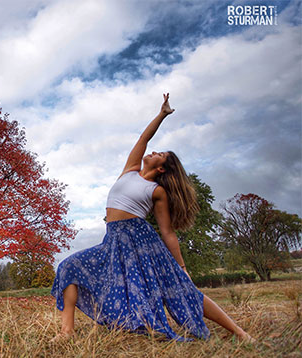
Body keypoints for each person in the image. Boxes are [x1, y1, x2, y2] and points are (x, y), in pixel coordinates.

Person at [50, 93, 255, 343]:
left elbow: (167, 231)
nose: (154, 151)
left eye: (161, 155)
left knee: (183, 290)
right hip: (113, 241)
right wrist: (162, 115)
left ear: (161, 169)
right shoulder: (130, 171)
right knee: (68, 267)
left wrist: (181, 267)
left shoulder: (157, 192)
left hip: (141, 243)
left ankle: (241, 333)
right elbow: (144, 139)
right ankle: (66, 333)